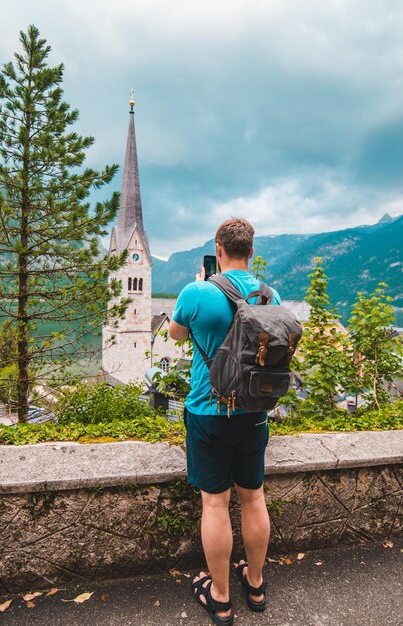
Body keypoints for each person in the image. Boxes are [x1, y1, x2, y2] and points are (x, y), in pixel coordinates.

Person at [169, 217, 281, 626]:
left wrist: (202, 284)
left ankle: (220, 598)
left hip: (208, 412)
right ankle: (254, 583)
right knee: (253, 497)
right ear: (251, 252)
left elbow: (177, 336)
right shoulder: (270, 294)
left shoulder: (197, 291)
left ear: (218, 250)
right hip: (254, 413)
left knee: (215, 503)